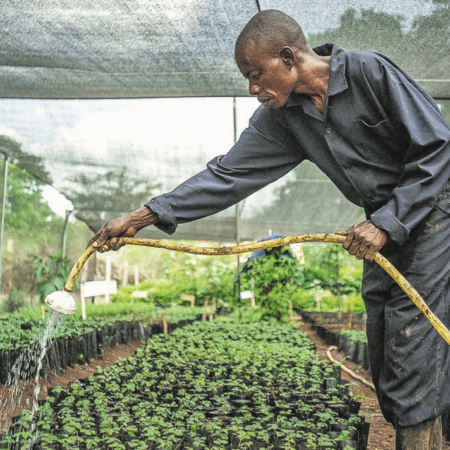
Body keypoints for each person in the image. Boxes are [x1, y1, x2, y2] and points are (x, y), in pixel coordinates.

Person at [87, 9, 450, 448]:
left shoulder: (369, 72)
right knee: (383, 340)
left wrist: (388, 222)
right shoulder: (284, 119)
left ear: (288, 56)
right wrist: (140, 217)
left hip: (432, 210)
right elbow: (226, 175)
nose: (253, 88)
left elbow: (437, 147)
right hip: (380, 224)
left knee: (411, 341)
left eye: (256, 74)